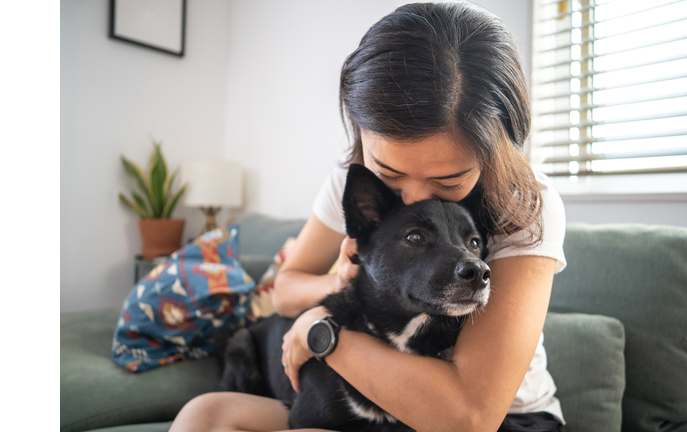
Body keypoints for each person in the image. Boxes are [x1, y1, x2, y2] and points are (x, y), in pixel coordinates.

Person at [170, 2, 567, 431]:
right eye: (391, 174)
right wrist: (334, 281)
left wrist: (319, 332)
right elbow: (286, 289)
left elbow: (468, 418)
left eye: (449, 182)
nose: (413, 198)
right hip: (370, 394)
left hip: (497, 416)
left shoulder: (526, 203)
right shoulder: (354, 179)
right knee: (204, 415)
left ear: (498, 149)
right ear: (360, 131)